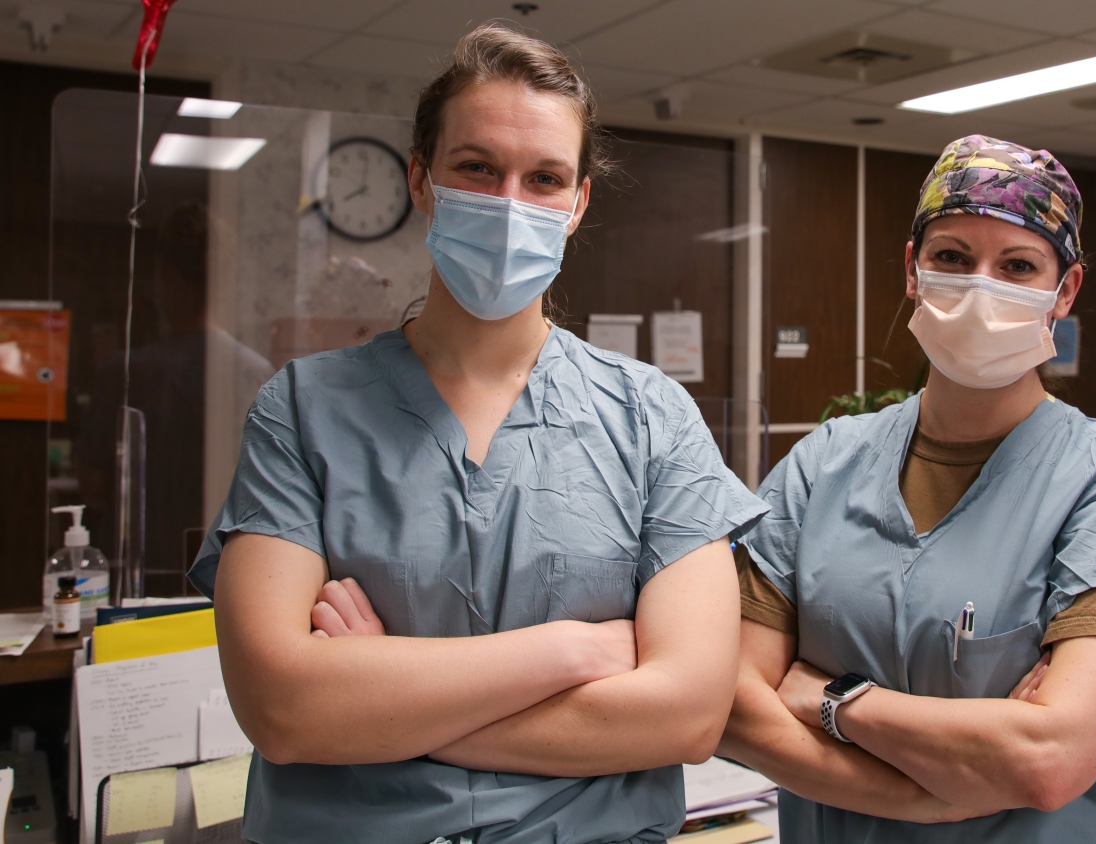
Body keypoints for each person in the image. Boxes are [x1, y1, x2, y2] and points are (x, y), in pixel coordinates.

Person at [189, 23, 767, 844]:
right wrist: (570, 653)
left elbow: (688, 715)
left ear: (577, 205)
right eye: (476, 169)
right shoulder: (303, 410)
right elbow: (282, 710)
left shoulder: (651, 419)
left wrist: (375, 708)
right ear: (422, 181)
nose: (509, 205)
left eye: (545, 179)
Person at [719, 136, 1096, 842]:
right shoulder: (823, 464)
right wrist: (923, 798)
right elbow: (733, 706)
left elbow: (1049, 759)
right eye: (952, 257)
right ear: (913, 272)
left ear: (1064, 291)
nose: (982, 286)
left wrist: (832, 699)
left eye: (1017, 266)